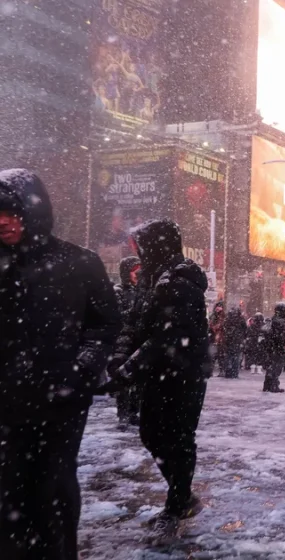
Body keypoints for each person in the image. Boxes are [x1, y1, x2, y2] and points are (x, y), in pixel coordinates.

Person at [0, 169, 121, 559]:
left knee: (53, 492)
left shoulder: (79, 263)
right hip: (4, 407)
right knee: (7, 497)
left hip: (60, 404)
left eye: (11, 211)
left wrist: (83, 368)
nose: (2, 220)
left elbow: (104, 326)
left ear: (33, 212)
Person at [110, 219, 211, 535]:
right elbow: (135, 323)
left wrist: (129, 370)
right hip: (158, 374)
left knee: (178, 438)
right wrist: (120, 357)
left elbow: (166, 337)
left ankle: (178, 500)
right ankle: (181, 496)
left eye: (142, 245)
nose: (137, 251)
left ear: (157, 245)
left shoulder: (179, 281)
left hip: (184, 374)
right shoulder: (151, 278)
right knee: (152, 434)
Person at [114, 255, 142, 425]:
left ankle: (134, 412)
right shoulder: (118, 291)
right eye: (134, 270)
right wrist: (134, 313)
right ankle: (123, 413)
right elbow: (116, 316)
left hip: (138, 340)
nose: (137, 274)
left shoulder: (142, 291)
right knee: (123, 378)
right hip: (122, 342)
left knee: (138, 378)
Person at [262, 302, 285, 393]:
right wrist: (282, 348)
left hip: (272, 348)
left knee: (271, 367)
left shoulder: (273, 319)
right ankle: (274, 386)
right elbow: (280, 337)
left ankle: (267, 385)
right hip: (277, 348)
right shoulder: (280, 322)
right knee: (276, 368)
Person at [221, 307, 247, 379]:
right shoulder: (241, 320)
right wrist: (243, 338)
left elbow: (224, 328)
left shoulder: (227, 320)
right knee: (236, 357)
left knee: (228, 356)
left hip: (228, 340)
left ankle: (228, 372)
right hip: (237, 341)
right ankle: (234, 373)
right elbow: (245, 330)